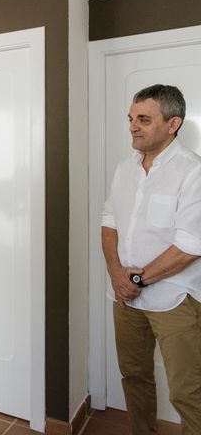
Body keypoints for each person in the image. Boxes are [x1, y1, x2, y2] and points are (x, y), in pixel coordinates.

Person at [101, 84, 201, 434]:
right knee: (134, 376)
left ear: (173, 124)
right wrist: (116, 274)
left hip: (174, 299)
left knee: (189, 391)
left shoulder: (193, 171)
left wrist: (137, 281)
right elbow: (109, 221)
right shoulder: (124, 169)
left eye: (144, 119)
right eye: (131, 118)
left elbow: (190, 245)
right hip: (125, 298)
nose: (132, 126)